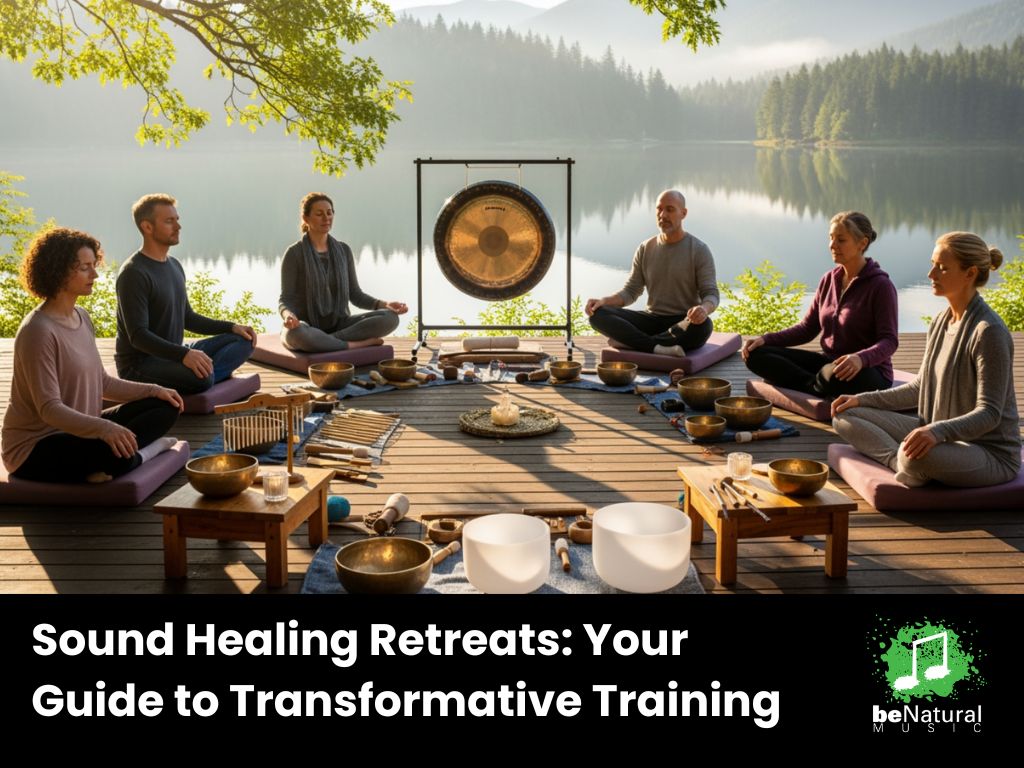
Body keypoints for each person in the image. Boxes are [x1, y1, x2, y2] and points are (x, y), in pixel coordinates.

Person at [832, 232, 1020, 488]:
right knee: (845, 415)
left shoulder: (988, 332)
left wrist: (937, 431)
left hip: (987, 452)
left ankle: (908, 462)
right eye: (933, 265)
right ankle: (899, 462)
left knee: (914, 458)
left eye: (942, 268)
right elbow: (919, 389)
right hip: (935, 432)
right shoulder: (940, 322)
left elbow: (989, 414)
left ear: (970, 273)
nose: (931, 274)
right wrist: (860, 399)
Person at [2, 228, 183, 484]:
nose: (95, 274)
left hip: (83, 430)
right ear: (59, 271)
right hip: (37, 447)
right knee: (113, 454)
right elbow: (49, 410)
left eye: (93, 265)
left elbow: (103, 383)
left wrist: (154, 390)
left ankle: (114, 460)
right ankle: (147, 453)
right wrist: (105, 428)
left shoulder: (82, 317)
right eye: (85, 268)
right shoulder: (38, 331)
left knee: (166, 405)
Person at [742, 211, 898, 397]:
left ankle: (809, 383)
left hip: (868, 370)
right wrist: (766, 339)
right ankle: (814, 385)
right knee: (755, 354)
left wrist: (860, 359)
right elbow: (807, 328)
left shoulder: (881, 286)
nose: (832, 245)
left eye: (841, 240)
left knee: (831, 376)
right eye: (831, 238)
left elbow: (889, 341)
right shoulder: (829, 280)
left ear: (862, 243)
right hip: (827, 363)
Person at [114, 193, 256, 394]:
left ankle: (207, 373)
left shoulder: (174, 265)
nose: (178, 227)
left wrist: (232, 327)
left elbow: (187, 317)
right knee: (202, 379)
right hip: (141, 364)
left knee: (244, 340)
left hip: (174, 354)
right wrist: (184, 355)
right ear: (147, 227)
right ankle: (208, 375)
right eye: (169, 221)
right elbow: (138, 336)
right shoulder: (133, 273)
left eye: (177, 220)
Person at [585, 189, 717, 357]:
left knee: (704, 327)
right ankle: (657, 347)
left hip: (684, 321)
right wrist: (604, 301)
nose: (662, 215)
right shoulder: (646, 248)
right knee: (598, 315)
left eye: (669, 209)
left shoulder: (699, 250)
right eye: (659, 209)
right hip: (651, 319)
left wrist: (703, 309)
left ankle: (633, 342)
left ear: (683, 213)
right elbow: (631, 291)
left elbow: (711, 293)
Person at [279, 192, 406, 352]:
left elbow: (355, 295)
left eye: (329, 212)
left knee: (390, 318)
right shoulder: (294, 253)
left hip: (340, 324)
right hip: (306, 326)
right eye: (319, 214)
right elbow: (286, 299)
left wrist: (385, 304)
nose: (326, 218)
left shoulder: (343, 251)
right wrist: (288, 316)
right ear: (306, 218)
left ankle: (324, 342)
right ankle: (353, 344)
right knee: (295, 335)